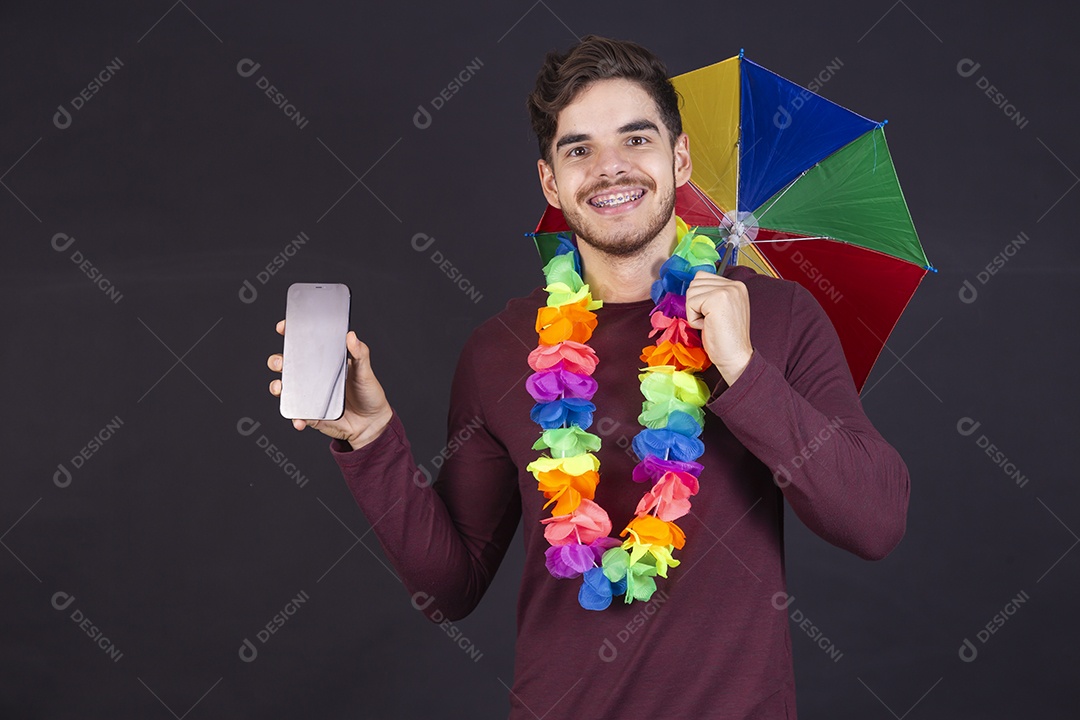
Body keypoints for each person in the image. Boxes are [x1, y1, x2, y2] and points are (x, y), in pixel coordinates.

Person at [267, 34, 909, 719]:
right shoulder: (501, 350)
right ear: (551, 180)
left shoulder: (775, 317)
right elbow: (449, 590)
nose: (611, 169)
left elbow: (874, 522)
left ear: (680, 157)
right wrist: (371, 439)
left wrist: (743, 371)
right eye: (579, 149)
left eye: (636, 140)